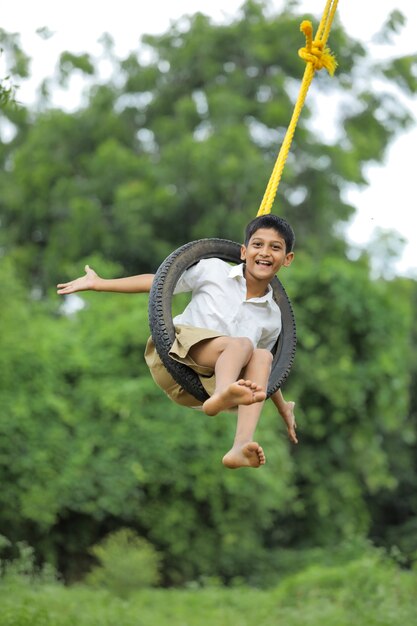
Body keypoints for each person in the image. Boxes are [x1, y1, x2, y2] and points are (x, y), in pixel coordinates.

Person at [57, 214, 298, 469]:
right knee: (242, 345)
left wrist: (282, 405)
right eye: (258, 244)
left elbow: (265, 372)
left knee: (263, 356)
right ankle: (222, 393)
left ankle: (239, 445)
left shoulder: (272, 316)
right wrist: (100, 283)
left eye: (275, 247)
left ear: (287, 259)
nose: (265, 252)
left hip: (199, 388)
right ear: (243, 251)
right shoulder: (214, 270)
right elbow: (160, 282)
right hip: (174, 357)